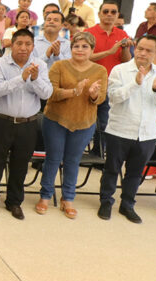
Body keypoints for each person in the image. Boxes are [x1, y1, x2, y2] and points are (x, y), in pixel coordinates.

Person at [98, 35, 156, 223]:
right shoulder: (120, 70)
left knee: (135, 172)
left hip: (146, 133)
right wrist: (135, 83)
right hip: (119, 129)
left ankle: (127, 204)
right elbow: (114, 97)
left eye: (148, 50)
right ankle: (106, 202)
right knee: (111, 169)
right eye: (140, 48)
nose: (142, 53)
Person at [36, 32, 108, 218]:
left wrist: (92, 94)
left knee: (73, 161)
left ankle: (67, 198)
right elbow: (51, 93)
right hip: (56, 120)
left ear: (92, 50)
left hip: (84, 123)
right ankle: (45, 195)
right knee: (52, 158)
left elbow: (100, 99)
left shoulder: (100, 71)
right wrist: (74, 91)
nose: (80, 50)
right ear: (71, 48)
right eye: (76, 46)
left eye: (85, 47)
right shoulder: (60, 66)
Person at [0, 28, 52, 219]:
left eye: (28, 44)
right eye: (19, 44)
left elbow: (47, 93)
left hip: (28, 124)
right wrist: (21, 78)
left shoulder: (39, 65)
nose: (23, 48)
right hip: (2, 121)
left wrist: (35, 79)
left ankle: (14, 202)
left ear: (33, 46)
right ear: (12, 45)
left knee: (20, 165)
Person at [86, 1, 134, 154]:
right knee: (86, 120)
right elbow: (84, 57)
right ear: (99, 14)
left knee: (105, 121)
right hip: (90, 83)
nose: (109, 15)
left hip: (111, 84)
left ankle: (99, 153)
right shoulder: (88, 33)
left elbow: (126, 61)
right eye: (106, 11)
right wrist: (109, 51)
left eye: (113, 12)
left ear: (118, 15)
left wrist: (125, 49)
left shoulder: (122, 35)